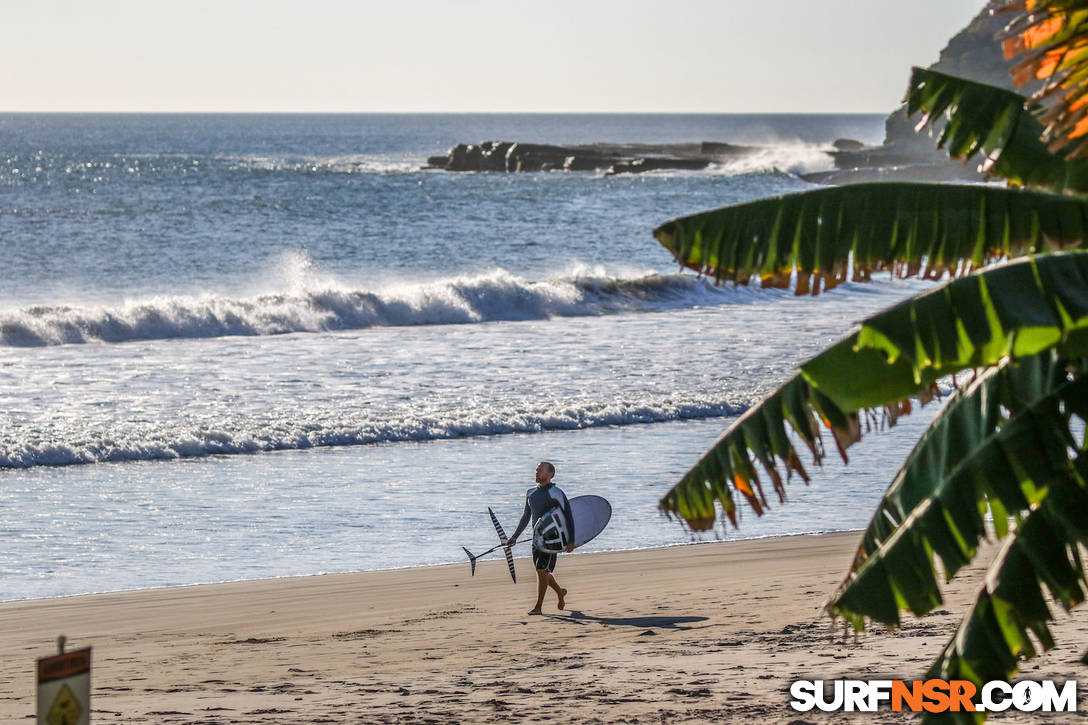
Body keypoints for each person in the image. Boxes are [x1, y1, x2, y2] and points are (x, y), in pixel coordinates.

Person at [508, 461, 575, 615]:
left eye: (540, 470)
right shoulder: (530, 493)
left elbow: (568, 515)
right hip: (536, 539)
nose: (537, 472)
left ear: (550, 474)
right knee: (541, 572)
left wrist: (571, 540)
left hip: (552, 540)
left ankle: (538, 607)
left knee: (541, 570)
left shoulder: (556, 492)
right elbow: (526, 516)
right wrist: (515, 536)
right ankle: (560, 592)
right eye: (537, 470)